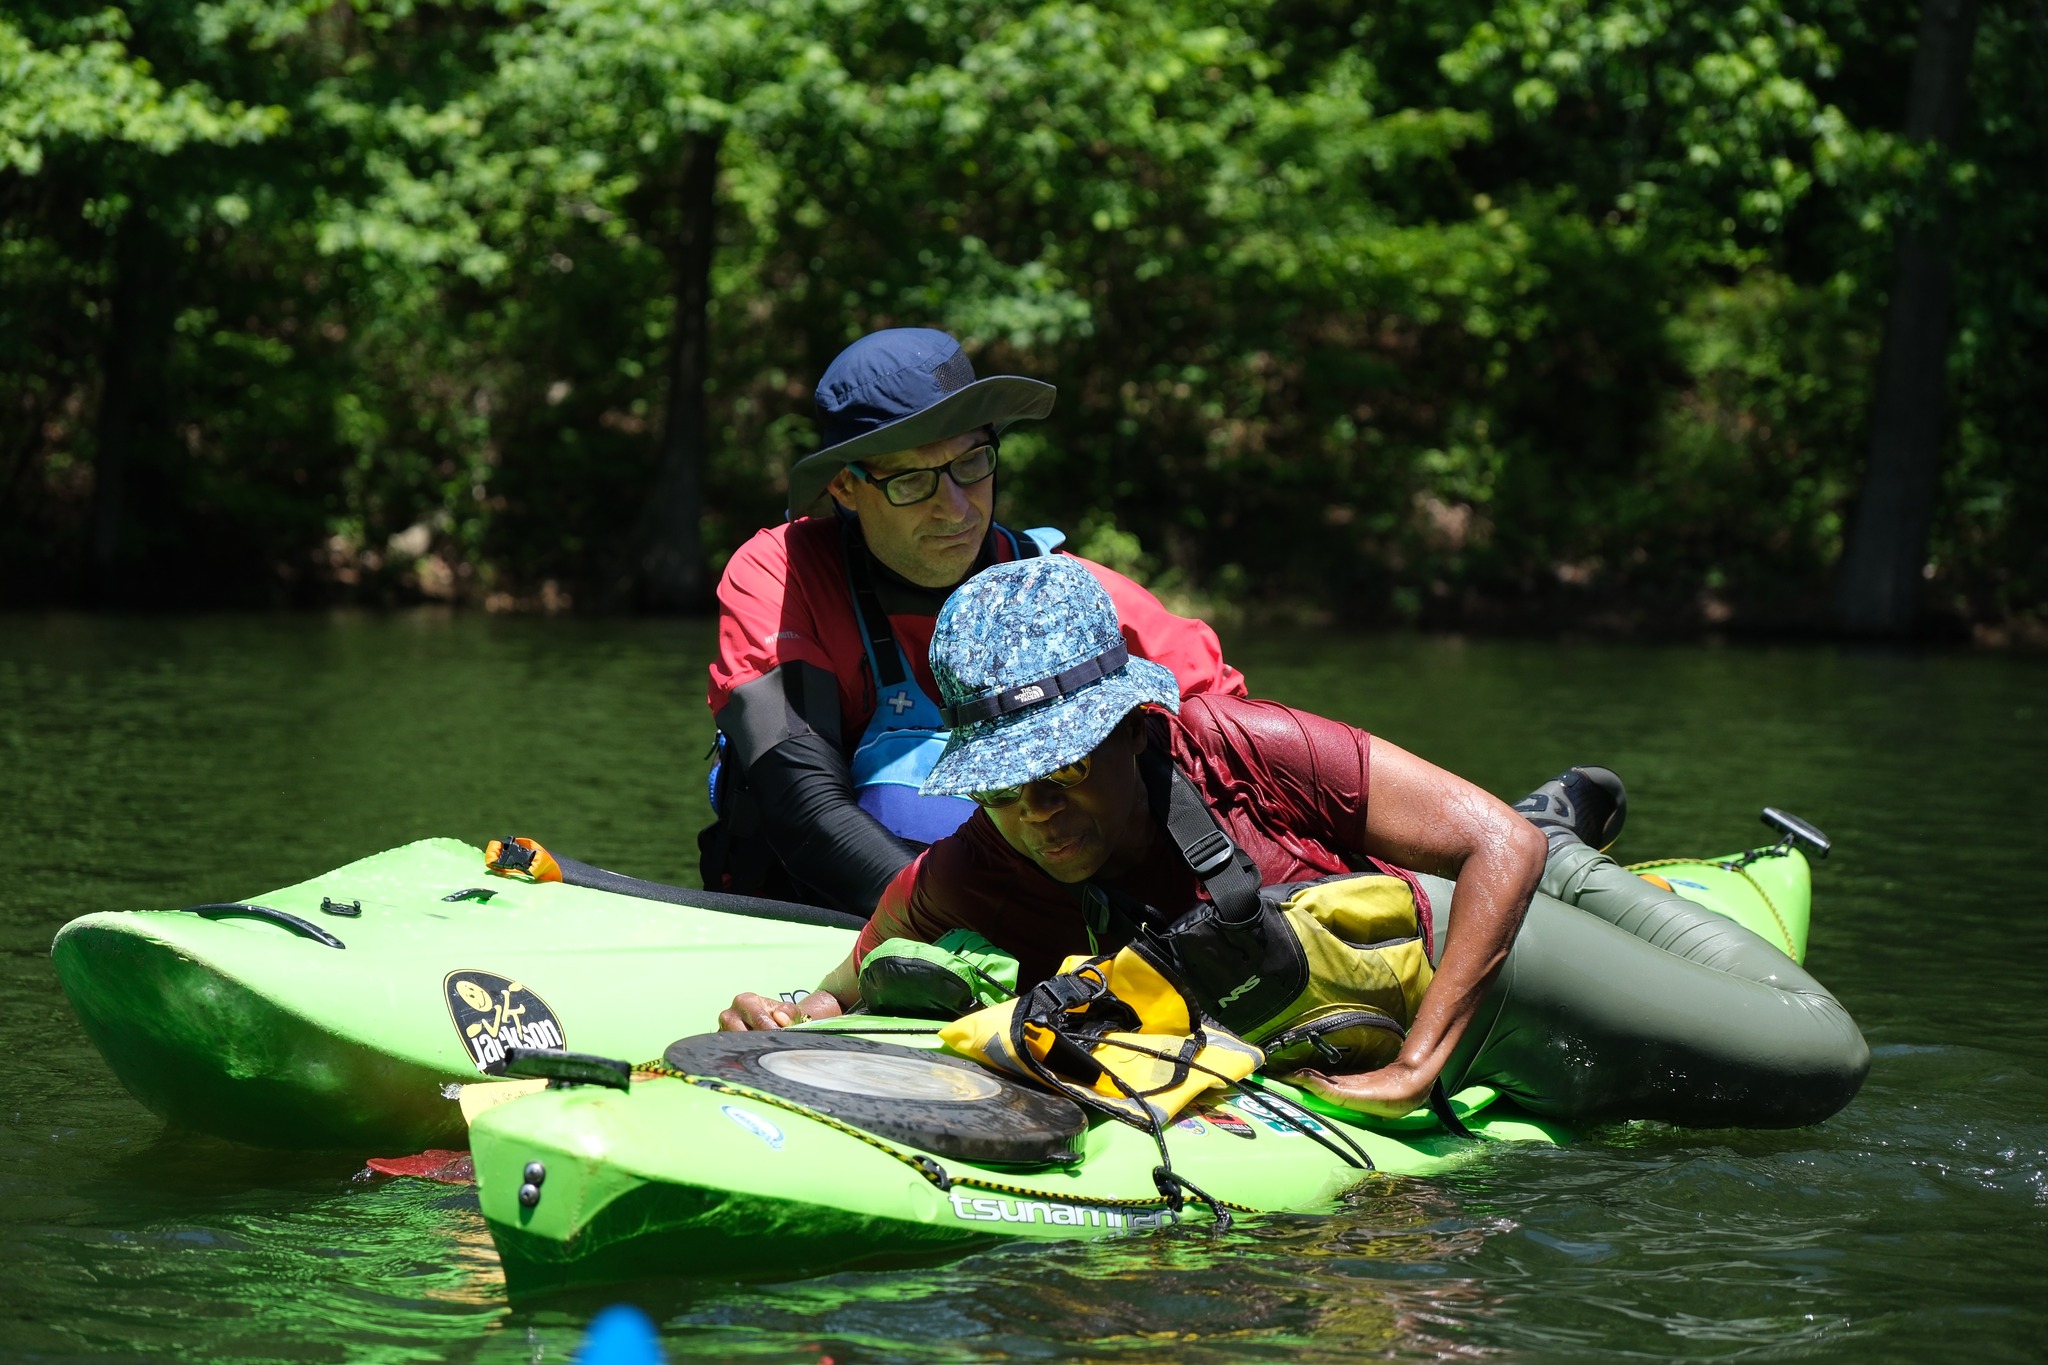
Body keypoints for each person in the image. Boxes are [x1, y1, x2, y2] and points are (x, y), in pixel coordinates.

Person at [720, 556, 1871, 1130]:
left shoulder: (1238, 744)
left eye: (1061, 773)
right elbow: (876, 941)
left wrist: (1422, 1062)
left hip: (1455, 920)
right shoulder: (994, 852)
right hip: (1365, 972)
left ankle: (1566, 836)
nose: (1036, 816)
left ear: (1133, 728)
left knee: (1811, 1060)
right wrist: (804, 1014)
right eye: (1006, 790)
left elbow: (1487, 857)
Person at [701, 328, 1245, 917]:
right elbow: (802, 800)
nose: (956, 508)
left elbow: (1234, 753)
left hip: (1060, 927)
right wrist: (963, 934)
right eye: (911, 480)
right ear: (845, 487)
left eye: (971, 463)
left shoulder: (1070, 591)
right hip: (833, 921)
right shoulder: (781, 574)